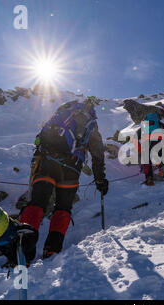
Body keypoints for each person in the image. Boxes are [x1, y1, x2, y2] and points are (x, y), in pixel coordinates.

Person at [18, 97, 108, 261]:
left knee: (37, 204)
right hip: (71, 169)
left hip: (46, 162)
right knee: (63, 208)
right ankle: (52, 250)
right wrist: (100, 180)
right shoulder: (92, 124)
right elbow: (98, 155)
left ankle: (23, 248)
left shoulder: (62, 114)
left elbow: (40, 137)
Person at [132, 113, 164, 186]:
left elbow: (134, 138)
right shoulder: (159, 124)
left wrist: (140, 150)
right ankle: (163, 167)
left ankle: (149, 178)